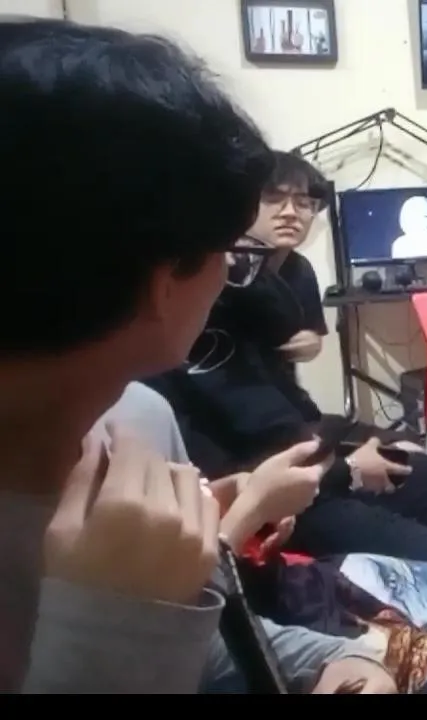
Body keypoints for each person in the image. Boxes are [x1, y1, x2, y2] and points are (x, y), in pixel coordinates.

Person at [0, 18, 275, 692]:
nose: (229, 277)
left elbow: (210, 654)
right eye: (229, 253)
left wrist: (347, 660)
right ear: (165, 279)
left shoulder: (139, 416)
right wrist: (113, 619)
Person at [107, 382, 427, 694]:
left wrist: (233, 496)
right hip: (238, 603)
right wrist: (258, 505)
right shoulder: (140, 410)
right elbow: (183, 618)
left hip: (266, 556)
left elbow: (298, 421)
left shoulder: (147, 403)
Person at [146, 151, 427, 564]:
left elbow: (294, 375)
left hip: (293, 433)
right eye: (274, 198)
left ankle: (409, 576)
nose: (291, 213)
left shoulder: (290, 275)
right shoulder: (198, 328)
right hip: (266, 473)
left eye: (304, 203)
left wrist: (345, 447)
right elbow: (246, 446)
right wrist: (348, 467)